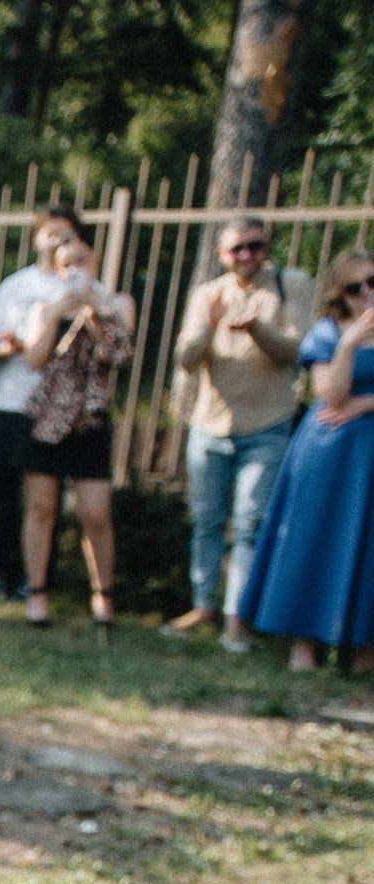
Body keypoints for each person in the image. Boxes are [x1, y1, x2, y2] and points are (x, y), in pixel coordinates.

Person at [170, 217, 310, 646]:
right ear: (221, 255)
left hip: (267, 424)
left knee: (250, 524)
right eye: (237, 249)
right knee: (207, 521)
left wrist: (256, 328)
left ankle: (237, 617)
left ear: (266, 246)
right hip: (210, 424)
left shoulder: (291, 284)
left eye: (255, 245)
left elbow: (298, 351)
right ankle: (204, 605)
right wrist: (211, 325)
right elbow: (185, 358)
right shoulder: (206, 295)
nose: (247, 255)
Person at [234, 251, 374, 673]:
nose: (368, 293)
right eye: (356, 287)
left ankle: (365, 650)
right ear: (340, 295)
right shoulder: (326, 333)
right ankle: (304, 645)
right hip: (329, 452)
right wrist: (350, 343)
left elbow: (350, 402)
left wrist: (365, 405)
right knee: (316, 537)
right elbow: (331, 396)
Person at [0, 206, 89, 598]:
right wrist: (5, 348)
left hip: (58, 411)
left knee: (45, 502)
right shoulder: (16, 286)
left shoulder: (85, 287)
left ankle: (35, 580)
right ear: (37, 238)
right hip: (11, 402)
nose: (56, 241)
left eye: (65, 234)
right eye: (49, 232)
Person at [17, 235, 133, 629]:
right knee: (41, 508)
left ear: (96, 260)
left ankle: (104, 595)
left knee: (95, 512)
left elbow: (119, 357)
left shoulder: (116, 304)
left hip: (89, 418)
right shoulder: (44, 307)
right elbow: (34, 360)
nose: (75, 270)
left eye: (82, 261)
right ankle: (37, 593)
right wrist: (53, 317)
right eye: (66, 264)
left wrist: (95, 315)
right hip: (48, 418)